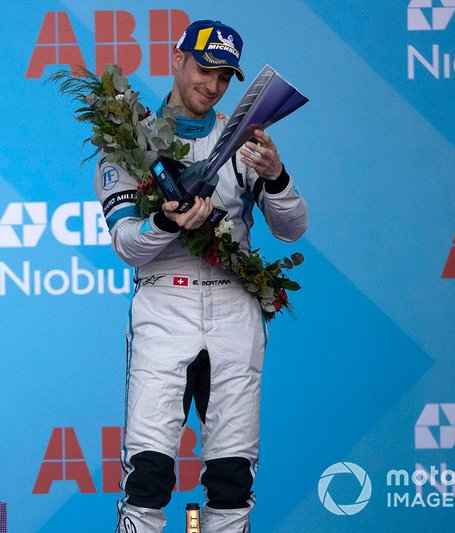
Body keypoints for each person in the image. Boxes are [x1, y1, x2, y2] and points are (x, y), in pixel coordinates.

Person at [94, 19, 308, 532]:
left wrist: (276, 176)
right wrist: (167, 222)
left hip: (235, 312)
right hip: (164, 308)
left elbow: (293, 228)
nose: (211, 86)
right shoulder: (129, 138)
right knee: (147, 478)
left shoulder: (244, 140)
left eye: (224, 77)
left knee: (232, 480)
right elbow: (127, 245)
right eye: (203, 69)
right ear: (177, 58)